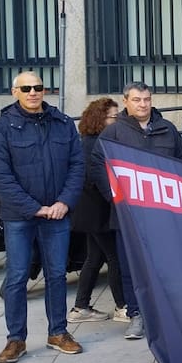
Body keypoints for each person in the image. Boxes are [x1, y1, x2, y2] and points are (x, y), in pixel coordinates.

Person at [0, 72, 85, 363]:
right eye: (26, 88)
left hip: (57, 214)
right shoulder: (1, 128)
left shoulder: (63, 124)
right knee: (17, 277)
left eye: (38, 87)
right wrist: (34, 207)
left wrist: (64, 202)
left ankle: (58, 332)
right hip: (20, 216)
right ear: (15, 91)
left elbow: (77, 166)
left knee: (56, 274)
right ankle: (15, 340)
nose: (33, 92)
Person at [93, 81, 182, 340]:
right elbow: (97, 165)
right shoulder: (113, 133)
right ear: (126, 101)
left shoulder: (166, 129)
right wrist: (114, 198)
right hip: (128, 215)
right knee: (130, 266)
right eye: (137, 100)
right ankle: (136, 314)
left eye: (146, 99)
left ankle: (165, 313)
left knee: (165, 265)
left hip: (162, 214)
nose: (143, 104)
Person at [67, 98, 126, 325]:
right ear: (100, 118)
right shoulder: (94, 144)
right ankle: (122, 306)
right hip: (97, 210)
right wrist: (114, 199)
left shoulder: (91, 141)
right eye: (114, 116)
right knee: (114, 257)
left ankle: (80, 306)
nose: (118, 120)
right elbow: (96, 179)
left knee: (94, 257)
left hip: (90, 210)